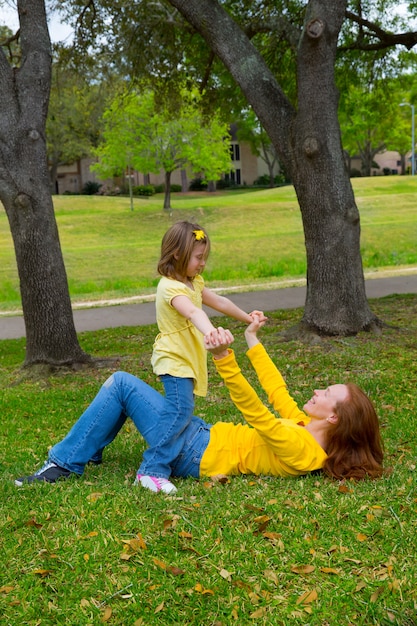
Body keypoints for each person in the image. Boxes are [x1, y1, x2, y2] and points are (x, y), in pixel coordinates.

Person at [15, 316, 384, 488]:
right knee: (127, 392)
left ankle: (64, 464)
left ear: (334, 418)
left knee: (121, 385)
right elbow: (277, 393)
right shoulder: (307, 430)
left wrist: (224, 357)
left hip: (194, 453)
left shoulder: (304, 451)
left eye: (326, 395)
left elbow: (257, 412)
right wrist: (252, 341)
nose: (318, 392)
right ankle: (87, 450)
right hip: (199, 438)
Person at [127, 221, 264, 493]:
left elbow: (219, 302)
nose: (203, 264)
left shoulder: (194, 283)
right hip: (174, 358)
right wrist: (212, 333)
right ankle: (151, 471)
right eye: (198, 258)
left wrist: (248, 316)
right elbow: (193, 313)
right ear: (177, 254)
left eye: (205, 258)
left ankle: (160, 459)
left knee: (179, 411)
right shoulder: (169, 287)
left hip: (187, 360)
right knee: (180, 410)